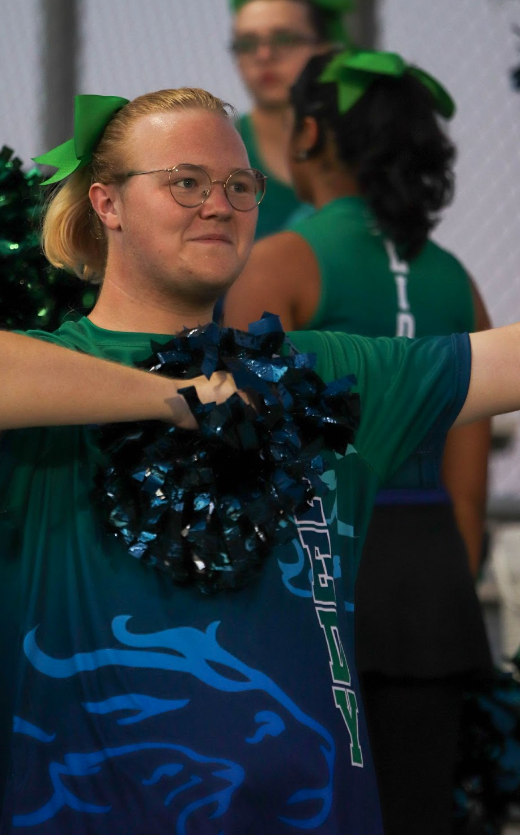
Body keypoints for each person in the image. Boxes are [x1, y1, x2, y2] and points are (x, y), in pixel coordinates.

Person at [0, 85, 516, 835]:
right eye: (186, 183)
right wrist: (174, 399)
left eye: (240, 185)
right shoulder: (43, 383)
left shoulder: (324, 372)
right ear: (107, 204)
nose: (220, 205)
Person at [224, 50, 493, 834]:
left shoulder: (281, 260)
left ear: (308, 133)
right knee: (414, 810)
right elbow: (467, 486)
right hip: (429, 584)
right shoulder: (457, 279)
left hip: (312, 572)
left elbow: (238, 451)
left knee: (300, 807)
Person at [229, 0, 354, 240]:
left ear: (325, 49)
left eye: (284, 39)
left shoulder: (361, 149)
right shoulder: (219, 148)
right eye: (247, 44)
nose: (264, 56)